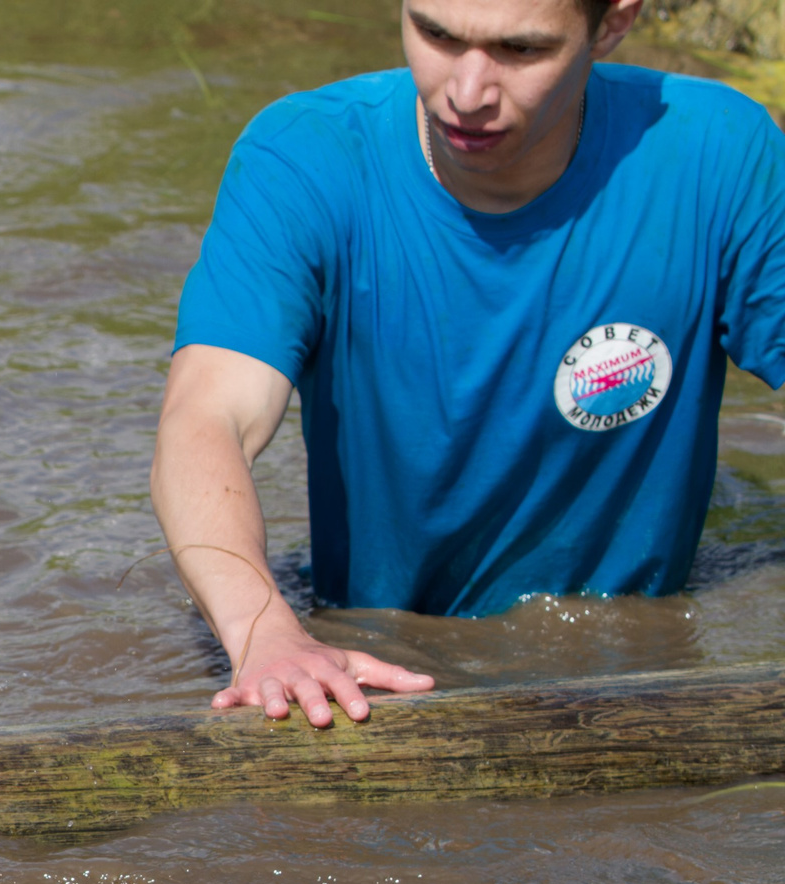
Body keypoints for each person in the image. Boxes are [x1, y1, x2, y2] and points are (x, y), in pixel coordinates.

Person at [153, 0, 785, 727]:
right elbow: (205, 417)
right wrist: (264, 629)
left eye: (521, 50)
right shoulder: (303, 159)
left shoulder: (718, 157)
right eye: (437, 34)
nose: (467, 92)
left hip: (634, 669)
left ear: (613, 23)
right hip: (379, 661)